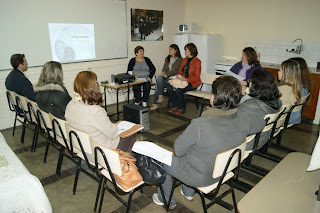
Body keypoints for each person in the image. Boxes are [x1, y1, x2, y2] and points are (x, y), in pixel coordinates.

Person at [152, 76, 265, 209]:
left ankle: (165, 199)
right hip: (224, 172)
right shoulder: (243, 119)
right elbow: (261, 123)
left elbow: (178, 149)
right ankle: (188, 192)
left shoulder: (200, 124)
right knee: (199, 152)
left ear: (214, 98)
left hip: (201, 177)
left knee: (160, 161)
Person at [65, 71, 136, 154]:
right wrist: (116, 127)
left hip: (81, 147)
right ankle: (123, 162)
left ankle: (125, 159)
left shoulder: (70, 105)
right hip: (100, 151)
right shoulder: (95, 111)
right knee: (131, 135)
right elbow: (113, 134)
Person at [238, 69, 282, 150]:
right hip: (263, 138)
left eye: (250, 81)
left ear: (255, 86)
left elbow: (236, 126)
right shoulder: (277, 101)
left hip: (248, 143)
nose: (249, 84)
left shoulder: (250, 106)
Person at [165, 43, 201, 114]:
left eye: (186, 50)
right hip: (182, 81)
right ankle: (175, 106)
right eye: (185, 50)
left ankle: (181, 107)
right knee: (169, 86)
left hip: (192, 83)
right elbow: (180, 71)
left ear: (191, 51)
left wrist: (186, 79)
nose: (185, 52)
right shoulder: (184, 60)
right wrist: (177, 77)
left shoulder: (197, 61)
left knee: (178, 90)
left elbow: (196, 77)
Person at [150, 44, 182, 110]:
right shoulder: (167, 58)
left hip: (173, 77)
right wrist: (163, 72)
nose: (169, 51)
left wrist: (165, 75)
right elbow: (164, 68)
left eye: (171, 49)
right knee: (159, 79)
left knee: (158, 84)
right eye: (169, 49)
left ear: (175, 50)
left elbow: (174, 70)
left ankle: (157, 102)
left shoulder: (179, 59)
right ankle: (160, 96)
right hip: (166, 76)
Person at [278, 58, 309, 124]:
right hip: (294, 116)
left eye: (279, 70)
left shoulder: (284, 90)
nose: (277, 72)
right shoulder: (300, 86)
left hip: (286, 118)